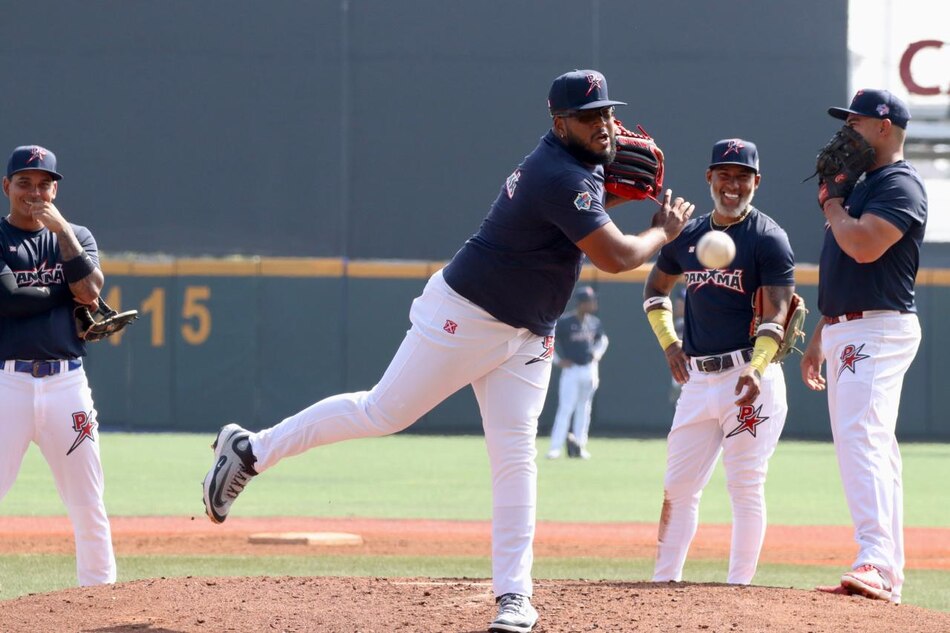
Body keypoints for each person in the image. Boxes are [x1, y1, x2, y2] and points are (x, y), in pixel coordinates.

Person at [202, 69, 695, 633]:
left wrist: (605, 188)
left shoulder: (575, 170)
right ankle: (251, 449)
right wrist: (664, 229)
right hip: (465, 315)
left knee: (515, 457)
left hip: (529, 334)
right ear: (559, 122)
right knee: (381, 412)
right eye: (589, 117)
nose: (605, 125)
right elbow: (615, 256)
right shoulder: (559, 173)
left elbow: (571, 220)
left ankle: (515, 596)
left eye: (608, 113)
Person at [642, 139, 795, 586]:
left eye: (743, 176)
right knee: (678, 487)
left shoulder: (768, 238)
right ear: (709, 178)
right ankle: (662, 583)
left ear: (756, 182)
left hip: (750, 378)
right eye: (725, 175)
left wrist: (758, 366)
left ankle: (738, 592)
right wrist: (670, 343)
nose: (734, 184)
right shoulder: (685, 234)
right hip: (698, 378)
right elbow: (655, 291)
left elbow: (777, 313)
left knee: (745, 486)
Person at [804, 90, 926, 604]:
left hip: (877, 327)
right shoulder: (864, 184)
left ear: (883, 127)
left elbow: (861, 244)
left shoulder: (899, 184)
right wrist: (819, 337)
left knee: (862, 437)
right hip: (848, 327)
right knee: (873, 443)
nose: (846, 131)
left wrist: (832, 202)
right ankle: (886, 571)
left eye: (854, 121)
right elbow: (845, 269)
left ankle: (875, 560)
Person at [0, 145, 116, 586]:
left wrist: (62, 228)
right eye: (25, 182)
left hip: (66, 384)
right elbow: (9, 300)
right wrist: (70, 295)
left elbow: (90, 290)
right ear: (6, 186)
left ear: (55, 189)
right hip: (6, 383)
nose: (35, 192)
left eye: (45, 183)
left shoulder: (77, 237)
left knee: (88, 501)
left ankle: (98, 597)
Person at [546, 285, 609, 460]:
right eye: (590, 301)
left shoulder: (594, 322)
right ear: (581, 303)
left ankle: (580, 446)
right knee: (566, 408)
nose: (593, 303)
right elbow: (548, 340)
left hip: (589, 368)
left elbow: (603, 340)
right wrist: (557, 361)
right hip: (571, 370)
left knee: (584, 408)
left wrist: (597, 353)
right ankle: (555, 448)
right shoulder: (566, 322)